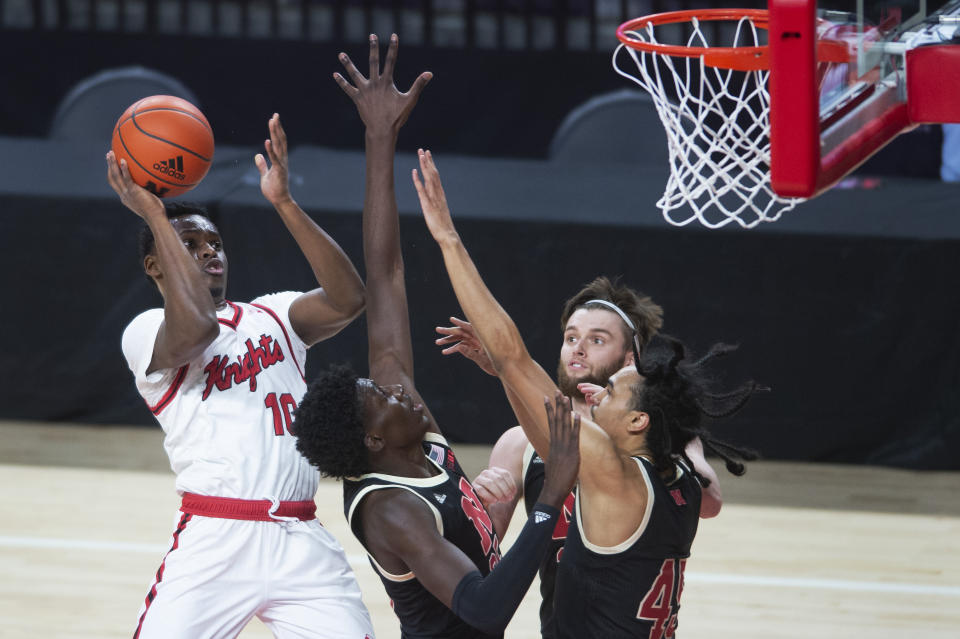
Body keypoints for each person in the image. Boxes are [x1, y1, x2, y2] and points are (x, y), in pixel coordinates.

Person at [291, 34, 580, 639]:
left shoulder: (407, 433)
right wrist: (549, 496)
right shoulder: (390, 508)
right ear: (373, 439)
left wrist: (378, 139)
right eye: (384, 397)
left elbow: (386, 274)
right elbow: (481, 607)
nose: (400, 393)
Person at [413, 148, 761, 638]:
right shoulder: (671, 471)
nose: (598, 395)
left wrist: (448, 240)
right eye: (572, 336)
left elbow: (514, 356)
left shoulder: (615, 467)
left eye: (612, 391)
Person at [108, 111, 375, 638]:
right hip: (216, 535)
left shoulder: (274, 315)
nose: (209, 250)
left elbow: (350, 299)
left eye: (215, 244)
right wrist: (158, 219)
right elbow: (197, 332)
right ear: (154, 266)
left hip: (300, 536)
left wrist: (285, 203)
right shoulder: (145, 330)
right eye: (191, 245)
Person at [434, 279, 725, 637]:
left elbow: (708, 504)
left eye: (597, 340)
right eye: (571, 338)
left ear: (630, 358)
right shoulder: (518, 442)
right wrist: (480, 502)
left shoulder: (652, 445)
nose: (579, 349)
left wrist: (682, 442)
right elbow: (483, 554)